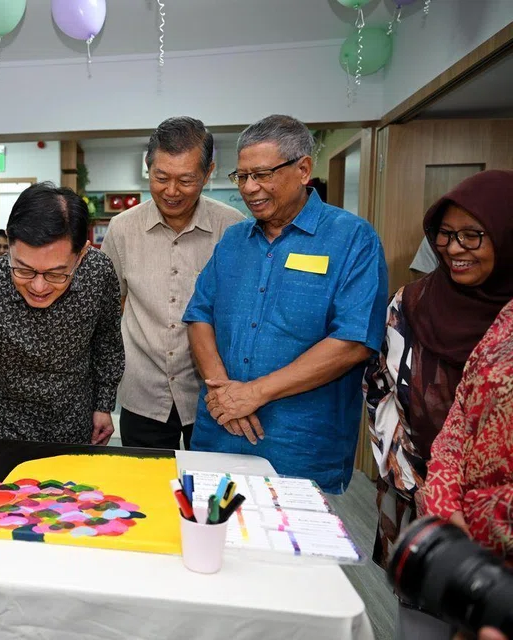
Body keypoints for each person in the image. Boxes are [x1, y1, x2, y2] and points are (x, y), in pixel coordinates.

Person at [183, 114, 387, 494]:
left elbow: (355, 340)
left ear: (303, 169)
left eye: (262, 174)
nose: (249, 188)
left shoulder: (352, 239)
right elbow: (199, 314)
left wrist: (254, 393)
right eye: (241, 177)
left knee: (293, 549)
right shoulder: (233, 241)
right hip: (219, 431)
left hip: (299, 445)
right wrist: (222, 388)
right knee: (208, 541)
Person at [364, 170, 513, 636]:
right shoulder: (411, 302)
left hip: (500, 522)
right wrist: (427, 490)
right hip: (420, 495)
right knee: (421, 621)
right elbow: (382, 393)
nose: (454, 248)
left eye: (473, 234)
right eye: (446, 234)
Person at [0, 182, 125, 490]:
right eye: (24, 270)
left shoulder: (99, 274)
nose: (39, 287)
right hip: (1, 430)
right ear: (11, 246)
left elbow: (107, 342)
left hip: (74, 423)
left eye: (57, 273)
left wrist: (103, 404)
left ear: (81, 254)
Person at [102, 116, 243, 450]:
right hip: (142, 393)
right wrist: (101, 399)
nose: (171, 191)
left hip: (213, 397)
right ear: (147, 166)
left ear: (208, 173)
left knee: (212, 493)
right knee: (144, 493)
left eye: (186, 180)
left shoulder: (233, 228)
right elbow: (106, 315)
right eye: (160, 177)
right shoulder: (122, 229)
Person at [417, 299, 513, 640]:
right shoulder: (509, 314)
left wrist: (481, 515)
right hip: (478, 564)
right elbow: (462, 414)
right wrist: (444, 502)